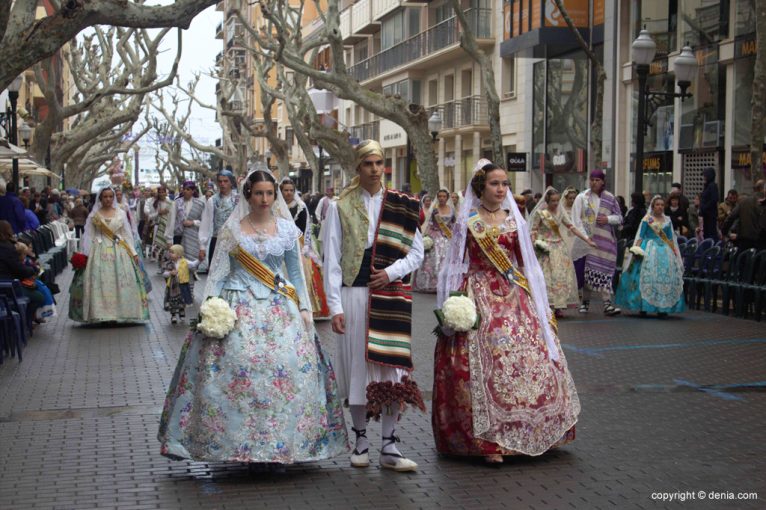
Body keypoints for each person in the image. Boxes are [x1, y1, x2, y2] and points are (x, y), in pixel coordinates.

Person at [159, 169, 348, 465]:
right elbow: (219, 273)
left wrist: (305, 309)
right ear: (248, 195)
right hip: (238, 307)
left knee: (285, 369)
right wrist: (211, 308)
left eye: (269, 193)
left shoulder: (286, 230)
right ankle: (238, 445)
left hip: (279, 309)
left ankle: (281, 443)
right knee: (236, 371)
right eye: (259, 193)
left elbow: (296, 274)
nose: (264, 199)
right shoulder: (232, 231)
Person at [433, 160, 580, 463]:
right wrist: (453, 303)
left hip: (514, 295)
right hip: (478, 294)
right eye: (494, 184)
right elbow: (454, 264)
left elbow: (527, 265)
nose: (501, 190)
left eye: (504, 184)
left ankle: (530, 431)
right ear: (480, 186)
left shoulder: (516, 221)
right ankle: (488, 442)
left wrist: (541, 303)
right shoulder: (467, 221)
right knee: (482, 364)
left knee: (526, 360)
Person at [322, 140, 425, 472]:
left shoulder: (402, 205)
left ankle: (390, 445)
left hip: (390, 296)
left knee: (390, 369)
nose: (375, 169)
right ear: (358, 167)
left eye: (379, 162)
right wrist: (335, 306)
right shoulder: (340, 206)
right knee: (357, 369)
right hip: (354, 294)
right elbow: (332, 261)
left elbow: (417, 252)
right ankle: (361, 441)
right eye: (368, 163)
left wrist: (391, 272)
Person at [70, 187, 149, 324]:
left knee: (120, 281)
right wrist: (85, 254)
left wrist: (133, 252)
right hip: (99, 250)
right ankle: (101, 313)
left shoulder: (121, 214)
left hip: (119, 250)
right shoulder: (94, 215)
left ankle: (119, 313)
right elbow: (88, 235)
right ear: (100, 198)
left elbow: (126, 234)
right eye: (105, 197)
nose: (108, 199)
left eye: (110, 196)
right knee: (99, 282)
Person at [530, 187, 596, 317]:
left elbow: (573, 227)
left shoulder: (561, 213)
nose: (555, 203)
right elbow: (534, 230)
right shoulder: (540, 213)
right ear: (547, 201)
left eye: (557, 200)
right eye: (553, 201)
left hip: (559, 247)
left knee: (560, 277)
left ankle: (558, 306)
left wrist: (587, 240)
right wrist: (535, 243)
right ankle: (546, 305)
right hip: (545, 248)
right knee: (547, 276)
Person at [615, 196, 686, 316]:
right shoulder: (647, 220)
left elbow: (670, 238)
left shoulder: (667, 220)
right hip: (649, 249)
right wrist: (636, 249)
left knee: (666, 277)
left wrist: (674, 253)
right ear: (653, 207)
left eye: (662, 205)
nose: (660, 207)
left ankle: (663, 308)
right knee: (644, 276)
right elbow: (641, 236)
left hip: (665, 251)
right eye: (657, 205)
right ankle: (643, 305)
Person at [570, 169, 623, 315]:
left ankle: (607, 304)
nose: (594, 182)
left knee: (605, 271)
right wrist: (585, 237)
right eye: (592, 180)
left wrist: (608, 219)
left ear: (603, 182)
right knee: (589, 272)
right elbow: (576, 219)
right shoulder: (582, 197)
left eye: (597, 180)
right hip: (587, 241)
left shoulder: (610, 198)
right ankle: (585, 302)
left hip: (605, 242)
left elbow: (619, 217)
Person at [281, 178, 330, 319]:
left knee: (303, 273)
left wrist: (303, 246)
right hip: (280, 243)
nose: (289, 193)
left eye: (291, 190)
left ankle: (304, 305)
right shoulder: (276, 206)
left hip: (298, 242)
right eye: (286, 190)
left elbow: (305, 228)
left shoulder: (301, 206)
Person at [0, 221, 45, 323]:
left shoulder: (8, 246)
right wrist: (34, 269)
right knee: (39, 297)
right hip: (7, 287)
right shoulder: (8, 248)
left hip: (4, 285)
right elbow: (19, 269)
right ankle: (26, 322)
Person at [413, 188, 454, 293]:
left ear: (447, 198)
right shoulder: (434, 210)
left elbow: (453, 224)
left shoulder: (451, 210)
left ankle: (446, 284)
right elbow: (430, 224)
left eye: (444, 196)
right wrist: (427, 236)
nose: (441, 198)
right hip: (435, 235)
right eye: (440, 196)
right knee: (433, 257)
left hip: (448, 236)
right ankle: (432, 284)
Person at [198, 169, 238, 266]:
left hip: (235, 242)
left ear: (231, 182)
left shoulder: (238, 199)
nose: (222, 184)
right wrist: (202, 246)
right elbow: (205, 224)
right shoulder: (212, 201)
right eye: (220, 181)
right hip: (217, 242)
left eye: (225, 181)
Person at [722, 179, 766, 251]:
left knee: (744, 260)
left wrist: (725, 232)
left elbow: (731, 217)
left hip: (744, 241)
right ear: (763, 189)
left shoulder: (744, 202)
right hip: (761, 243)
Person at [161, 245, 197, 324]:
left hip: (182, 285)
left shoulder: (184, 262)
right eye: (170, 252)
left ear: (179, 254)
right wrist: (170, 273)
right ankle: (173, 315)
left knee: (182, 300)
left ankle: (182, 313)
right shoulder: (169, 263)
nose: (170, 254)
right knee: (172, 301)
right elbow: (164, 273)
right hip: (172, 286)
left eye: (172, 252)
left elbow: (193, 264)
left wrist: (200, 260)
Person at [172, 181, 205, 261]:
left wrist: (193, 222)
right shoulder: (177, 203)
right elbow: (171, 221)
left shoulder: (200, 204)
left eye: (188, 189)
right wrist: (169, 239)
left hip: (193, 236)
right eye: (184, 189)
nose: (185, 191)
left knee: (191, 261)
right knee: (178, 261)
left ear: (193, 191)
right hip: (178, 235)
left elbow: (205, 222)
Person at [145, 185, 175, 265]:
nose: (161, 194)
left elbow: (173, 217)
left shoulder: (171, 203)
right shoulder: (154, 203)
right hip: (157, 227)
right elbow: (150, 216)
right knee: (158, 248)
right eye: (160, 192)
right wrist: (159, 213)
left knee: (168, 247)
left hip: (168, 227)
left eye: (163, 192)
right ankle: (160, 265)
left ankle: (167, 265)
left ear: (166, 193)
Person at [699, 167, 719, 241]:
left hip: (710, 215)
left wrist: (704, 207)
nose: (704, 177)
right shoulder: (707, 186)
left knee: (710, 234)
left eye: (705, 175)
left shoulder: (712, 186)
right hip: (706, 216)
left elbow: (714, 199)